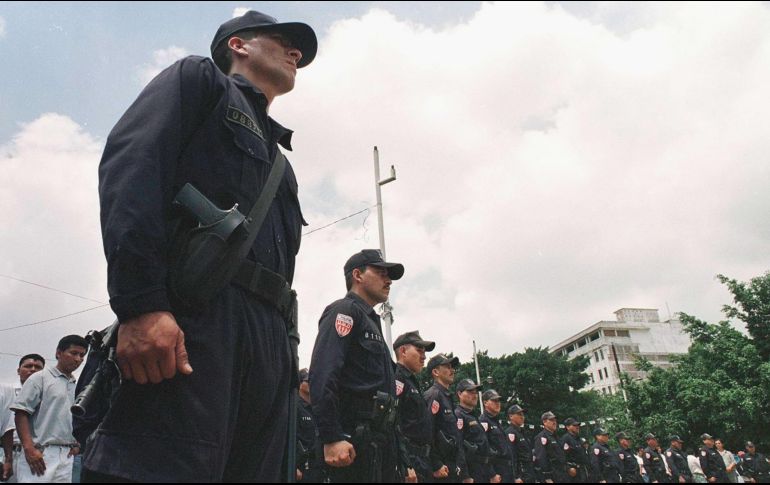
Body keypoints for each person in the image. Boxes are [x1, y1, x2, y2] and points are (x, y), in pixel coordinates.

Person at [81, 9, 317, 483]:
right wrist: (141, 304)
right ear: (238, 44)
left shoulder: (282, 163)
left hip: (270, 346)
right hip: (199, 322)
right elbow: (133, 168)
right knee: (166, 467)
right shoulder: (200, 81)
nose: (296, 53)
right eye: (282, 41)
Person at [309, 249, 404, 482]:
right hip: (351, 441)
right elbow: (323, 375)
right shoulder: (345, 311)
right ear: (357, 275)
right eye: (381, 273)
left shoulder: (371, 322)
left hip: (377, 443)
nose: (388, 280)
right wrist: (331, 437)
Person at [11, 336, 87, 483]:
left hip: (66, 455)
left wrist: (77, 444)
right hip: (40, 453)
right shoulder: (40, 378)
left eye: (82, 355)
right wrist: (29, 449)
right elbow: (21, 413)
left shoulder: (76, 384)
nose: (78, 359)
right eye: (73, 353)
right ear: (59, 353)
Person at [393, 330, 435, 483]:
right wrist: (405, 463)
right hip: (410, 460)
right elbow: (393, 423)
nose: (424, 356)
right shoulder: (397, 378)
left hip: (422, 459)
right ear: (403, 351)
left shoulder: (411, 381)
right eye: (419, 350)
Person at [424, 353, 468, 483]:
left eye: (452, 367)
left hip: (451, 465)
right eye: (447, 367)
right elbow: (427, 432)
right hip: (441, 468)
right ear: (436, 372)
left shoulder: (446, 397)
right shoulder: (434, 395)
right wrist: (436, 464)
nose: (452, 370)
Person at [3, 355, 45, 484]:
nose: (33, 369)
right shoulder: (7, 391)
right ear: (18, 370)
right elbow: (5, 425)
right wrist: (7, 459)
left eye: (38, 367)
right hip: (8, 452)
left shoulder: (46, 395)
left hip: (35, 455)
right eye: (28, 366)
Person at [455, 379, 490, 483]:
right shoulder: (458, 415)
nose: (474, 395)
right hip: (472, 470)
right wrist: (465, 475)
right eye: (470, 392)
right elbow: (458, 447)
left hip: (482, 469)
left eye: (475, 392)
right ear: (459, 394)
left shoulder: (473, 415)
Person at [479, 389, 514, 484]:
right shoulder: (484, 421)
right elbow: (483, 449)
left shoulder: (496, 422)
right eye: (494, 401)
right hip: (496, 472)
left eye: (498, 401)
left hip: (506, 471)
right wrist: (491, 474)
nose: (498, 403)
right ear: (485, 403)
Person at [296, 368, 320, 483]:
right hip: (300, 467)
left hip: (316, 466)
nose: (311, 383)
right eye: (307, 380)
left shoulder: (317, 408)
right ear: (300, 384)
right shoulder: (294, 407)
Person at [533, 411, 568, 483]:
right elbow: (541, 458)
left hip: (561, 474)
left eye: (555, 420)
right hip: (551, 476)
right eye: (551, 420)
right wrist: (547, 477)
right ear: (544, 422)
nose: (554, 422)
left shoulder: (556, 437)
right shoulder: (541, 437)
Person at [505, 405, 535, 483]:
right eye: (519, 414)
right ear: (511, 416)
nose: (522, 417)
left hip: (528, 474)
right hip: (521, 476)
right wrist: (516, 476)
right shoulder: (510, 432)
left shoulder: (522, 432)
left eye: (523, 414)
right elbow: (512, 456)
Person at [560, 418, 589, 483]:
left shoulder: (579, 439)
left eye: (578, 425)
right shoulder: (565, 438)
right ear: (567, 427)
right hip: (572, 472)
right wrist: (568, 468)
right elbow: (561, 455)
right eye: (574, 425)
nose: (577, 427)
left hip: (582, 470)